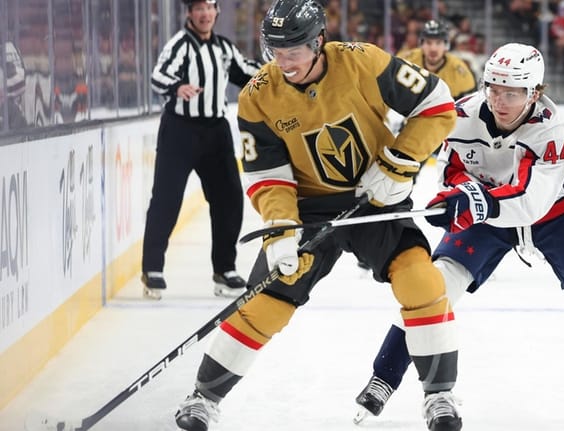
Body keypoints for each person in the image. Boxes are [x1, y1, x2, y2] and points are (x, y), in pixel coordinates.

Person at [353, 43, 564, 427]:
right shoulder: (461, 115)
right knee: (435, 287)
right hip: (487, 210)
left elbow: (531, 204)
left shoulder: (552, 130)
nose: (499, 100)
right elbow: (449, 169)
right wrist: (457, 194)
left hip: (557, 213)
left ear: (535, 93)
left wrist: (472, 202)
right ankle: (389, 381)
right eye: (493, 88)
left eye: (511, 92)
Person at [173, 1, 463, 430]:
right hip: (307, 211)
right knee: (265, 304)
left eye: (292, 51)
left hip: (375, 200)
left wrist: (398, 163)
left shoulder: (363, 61)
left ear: (317, 42)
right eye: (274, 50)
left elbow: (437, 105)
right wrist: (280, 232)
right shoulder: (258, 97)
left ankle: (440, 396)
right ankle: (204, 398)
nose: (282, 61)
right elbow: (268, 176)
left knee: (421, 280)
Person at [142, 0, 260, 300]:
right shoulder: (180, 45)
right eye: (198, 9)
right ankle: (152, 269)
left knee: (230, 198)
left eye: (209, 8)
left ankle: (225, 269)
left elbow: (247, 72)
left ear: (217, 12)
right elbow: (158, 76)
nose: (205, 14)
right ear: (189, 14)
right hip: (179, 131)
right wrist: (178, 86)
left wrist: (279, 71)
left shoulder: (223, 48)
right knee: (166, 200)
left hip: (215, 132)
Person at [398, 20, 478, 101]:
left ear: (446, 45)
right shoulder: (406, 60)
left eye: (438, 43)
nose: (433, 49)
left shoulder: (458, 70)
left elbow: (467, 105)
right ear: (421, 44)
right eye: (428, 43)